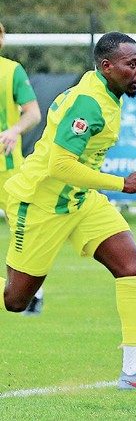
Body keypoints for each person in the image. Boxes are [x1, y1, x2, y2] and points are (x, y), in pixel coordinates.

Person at [0, 32, 136, 389]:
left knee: (134, 266)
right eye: (132, 64)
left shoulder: (104, 89)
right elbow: (59, 166)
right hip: (41, 203)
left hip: (81, 200)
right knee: (16, 300)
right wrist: (120, 183)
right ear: (107, 66)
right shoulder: (88, 102)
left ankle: (134, 371)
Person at [0, 21, 43, 314]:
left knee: (23, 232)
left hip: (8, 167)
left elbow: (33, 113)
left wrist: (14, 130)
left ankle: (32, 295)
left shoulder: (11, 71)